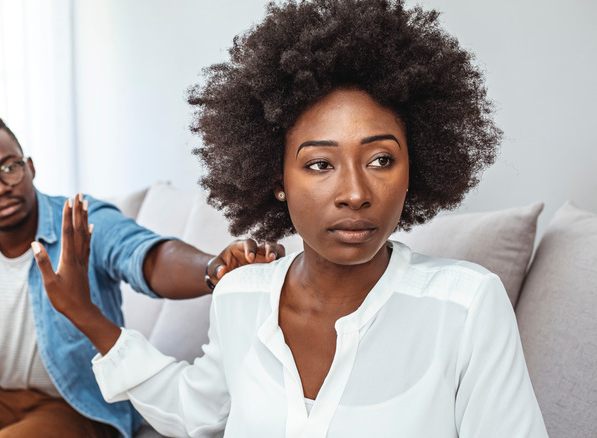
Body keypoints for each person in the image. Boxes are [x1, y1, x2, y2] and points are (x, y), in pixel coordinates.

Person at [32, 0, 548, 437]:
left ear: (416, 167)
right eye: (320, 164)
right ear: (275, 175)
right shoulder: (241, 296)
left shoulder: (466, 305)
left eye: (381, 160)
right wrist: (86, 316)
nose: (354, 192)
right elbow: (197, 413)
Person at [0, 115, 283, 438]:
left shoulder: (80, 219)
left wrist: (213, 268)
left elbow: (147, 258)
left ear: (29, 167)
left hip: (80, 402)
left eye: (8, 168)